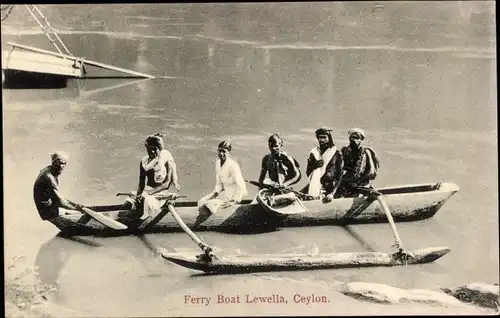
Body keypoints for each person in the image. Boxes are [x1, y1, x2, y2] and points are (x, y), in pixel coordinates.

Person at [125, 133, 181, 221]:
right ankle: (126, 217)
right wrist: (139, 194)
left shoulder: (167, 162)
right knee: (128, 203)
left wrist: (150, 193)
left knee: (146, 202)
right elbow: (141, 182)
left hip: (161, 194)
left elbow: (166, 184)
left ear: (160, 149)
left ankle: (139, 219)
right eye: (149, 149)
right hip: (147, 191)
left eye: (155, 149)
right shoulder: (144, 162)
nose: (152, 152)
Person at [197, 141, 248, 214]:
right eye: (219, 151)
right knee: (201, 202)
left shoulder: (233, 165)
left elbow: (241, 185)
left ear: (229, 153)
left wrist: (233, 201)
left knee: (210, 205)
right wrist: (214, 194)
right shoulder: (217, 163)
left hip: (233, 194)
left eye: (224, 151)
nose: (221, 154)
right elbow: (219, 184)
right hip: (223, 193)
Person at [33, 151, 84, 221]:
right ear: (54, 162)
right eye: (60, 164)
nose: (61, 166)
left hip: (47, 206)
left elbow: (57, 197)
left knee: (71, 207)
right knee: (78, 213)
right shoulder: (49, 178)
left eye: (64, 164)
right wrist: (76, 208)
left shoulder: (48, 169)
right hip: (47, 212)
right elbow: (59, 201)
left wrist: (75, 204)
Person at [337, 128, 380, 198]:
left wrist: (356, 182)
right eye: (352, 138)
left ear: (361, 139)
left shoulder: (366, 152)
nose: (354, 140)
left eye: (357, 138)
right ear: (349, 138)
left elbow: (371, 172)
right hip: (345, 183)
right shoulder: (344, 150)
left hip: (361, 184)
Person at [303, 128, 343, 202]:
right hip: (315, 187)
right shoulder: (314, 153)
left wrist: (332, 193)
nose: (321, 140)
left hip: (330, 189)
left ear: (329, 138)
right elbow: (308, 173)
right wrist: (314, 166)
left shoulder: (336, 153)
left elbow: (340, 175)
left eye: (324, 137)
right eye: (320, 137)